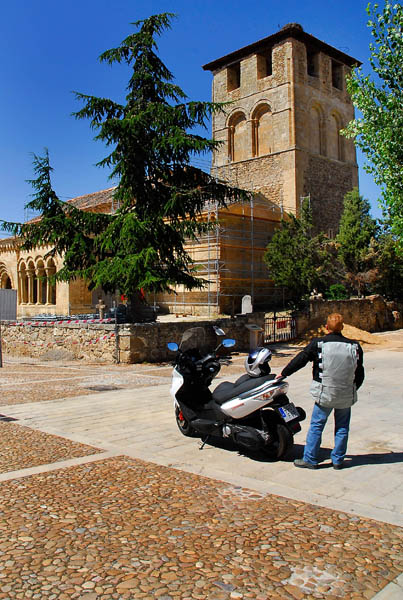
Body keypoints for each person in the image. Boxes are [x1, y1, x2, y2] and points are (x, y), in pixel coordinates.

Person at [276, 313, 364, 469]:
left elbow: (301, 359)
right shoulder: (354, 346)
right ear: (342, 327)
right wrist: (352, 388)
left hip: (325, 392)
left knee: (317, 425)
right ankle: (338, 460)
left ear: (326, 327)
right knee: (342, 427)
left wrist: (284, 373)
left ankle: (310, 459)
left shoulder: (319, 344)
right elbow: (360, 373)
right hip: (345, 392)